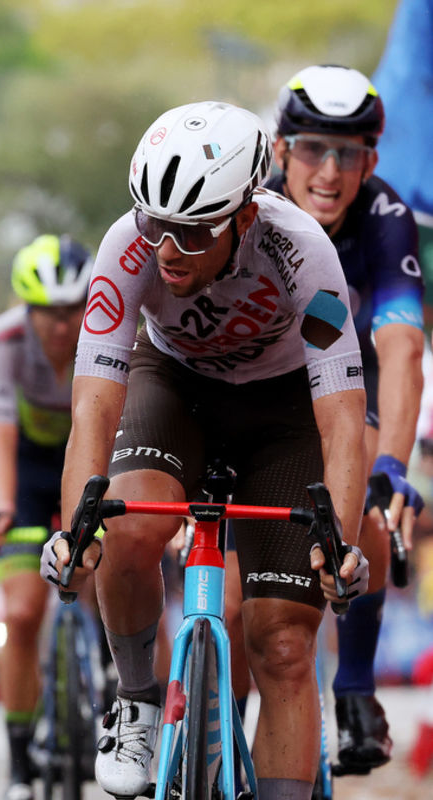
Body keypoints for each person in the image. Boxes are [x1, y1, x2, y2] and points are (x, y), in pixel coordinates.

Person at [41, 101, 371, 800]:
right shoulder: (126, 246)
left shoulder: (304, 251)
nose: (166, 248)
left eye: (191, 232)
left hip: (283, 410)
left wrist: (336, 538)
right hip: (175, 385)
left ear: (244, 218)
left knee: (281, 645)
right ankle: (136, 702)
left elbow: (341, 419)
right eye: (155, 223)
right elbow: (95, 407)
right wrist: (76, 531)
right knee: (126, 525)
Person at [262, 64, 424, 773]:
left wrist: (394, 465)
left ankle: (355, 688)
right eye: (312, 150)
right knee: (245, 618)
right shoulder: (247, 207)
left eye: (349, 153)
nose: (329, 172)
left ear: (372, 162)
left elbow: (401, 345)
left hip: (345, 386)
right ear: (278, 151)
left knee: (369, 496)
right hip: (255, 386)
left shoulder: (386, 218)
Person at [0, 233, 91, 800]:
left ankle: (129, 695)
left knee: (116, 576)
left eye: (72, 310)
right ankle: (20, 762)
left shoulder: (108, 334)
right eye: (48, 311)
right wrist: (1, 508)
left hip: (89, 463)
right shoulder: (4, 340)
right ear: (28, 307)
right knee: (21, 614)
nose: (62, 325)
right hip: (26, 471)